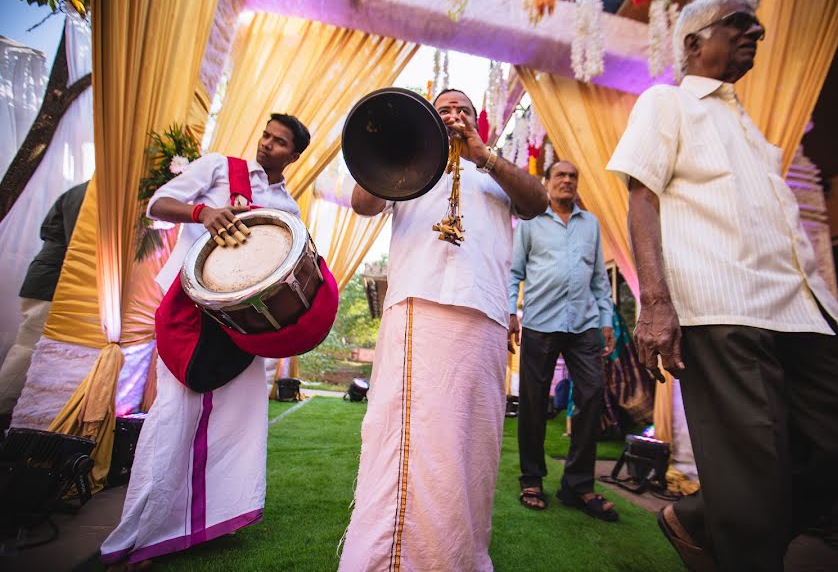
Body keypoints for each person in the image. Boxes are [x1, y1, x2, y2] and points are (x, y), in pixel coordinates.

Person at [607, 0, 838, 572]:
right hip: (723, 309)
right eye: (739, 24)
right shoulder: (666, 103)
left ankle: (702, 519)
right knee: (751, 485)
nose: (754, 34)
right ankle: (739, 535)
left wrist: (832, 313)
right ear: (695, 41)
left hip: (803, 314)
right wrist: (654, 301)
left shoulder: (755, 131)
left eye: (757, 28)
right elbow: (641, 196)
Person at [339, 88, 547, 571]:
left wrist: (484, 157)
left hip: (487, 316)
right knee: (412, 437)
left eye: (465, 111)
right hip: (420, 305)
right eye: (445, 109)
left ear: (480, 124)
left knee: (472, 446)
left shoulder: (494, 169)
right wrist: (396, 143)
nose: (455, 115)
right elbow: (363, 205)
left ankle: (457, 556)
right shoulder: (410, 159)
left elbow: (536, 202)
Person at [101, 114, 311, 569]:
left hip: (247, 327)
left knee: (237, 427)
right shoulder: (219, 167)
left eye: (279, 143)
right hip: (189, 315)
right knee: (172, 419)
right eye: (266, 135)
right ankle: (144, 528)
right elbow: (159, 203)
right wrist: (203, 212)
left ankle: (211, 522)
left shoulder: (289, 210)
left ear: (294, 156)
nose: (267, 145)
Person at [507, 160, 618, 520]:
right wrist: (511, 311)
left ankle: (578, 486)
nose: (567, 181)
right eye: (561, 176)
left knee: (591, 393)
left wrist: (606, 320)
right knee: (535, 403)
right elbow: (514, 272)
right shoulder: (530, 222)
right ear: (547, 182)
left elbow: (599, 278)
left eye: (573, 176)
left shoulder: (591, 224)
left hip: (584, 323)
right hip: (540, 321)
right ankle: (532, 479)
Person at [0, 181, 89, 427]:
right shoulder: (87, 193)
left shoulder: (82, 190)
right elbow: (80, 244)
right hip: (50, 282)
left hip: (51, 278)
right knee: (28, 349)